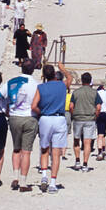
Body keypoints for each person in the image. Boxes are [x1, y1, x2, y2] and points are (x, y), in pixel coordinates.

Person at [31, 63, 69, 193]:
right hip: (59, 118)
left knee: (44, 149)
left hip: (46, 118)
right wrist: (62, 68)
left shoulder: (40, 87)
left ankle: (44, 176)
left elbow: (34, 106)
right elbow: (70, 79)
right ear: (54, 74)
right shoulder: (61, 85)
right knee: (56, 152)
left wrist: (41, 111)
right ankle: (53, 183)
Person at [5, 64, 38, 193]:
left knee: (16, 149)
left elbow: (0, 94)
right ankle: (23, 182)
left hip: (14, 117)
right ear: (33, 70)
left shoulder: (12, 81)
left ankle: (15, 177)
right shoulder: (36, 84)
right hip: (30, 117)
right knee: (26, 152)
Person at [70, 71, 101, 172]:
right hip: (89, 118)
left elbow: (71, 106)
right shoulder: (94, 93)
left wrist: (73, 114)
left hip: (78, 117)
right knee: (87, 142)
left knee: (76, 140)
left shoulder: (76, 92)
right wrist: (96, 115)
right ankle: (85, 164)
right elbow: (99, 107)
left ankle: (77, 161)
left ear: (82, 81)